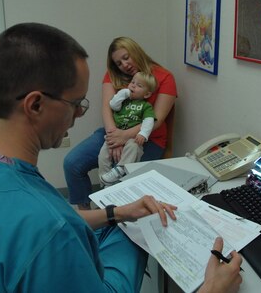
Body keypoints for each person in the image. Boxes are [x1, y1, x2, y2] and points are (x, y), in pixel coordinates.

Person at [0, 23, 242, 292]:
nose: (77, 115)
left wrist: (116, 212)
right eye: (76, 104)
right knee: (133, 240)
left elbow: (43, 219)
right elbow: (47, 227)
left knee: (122, 225)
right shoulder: (46, 231)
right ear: (36, 105)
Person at [64, 36, 178, 210]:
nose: (124, 65)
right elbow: (106, 108)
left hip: (147, 139)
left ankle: (109, 217)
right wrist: (114, 138)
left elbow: (157, 119)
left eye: (126, 57)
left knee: (118, 174)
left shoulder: (165, 77)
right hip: (114, 132)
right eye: (118, 63)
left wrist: (124, 137)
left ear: (136, 52)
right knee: (72, 163)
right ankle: (87, 218)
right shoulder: (113, 76)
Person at [98, 71, 157, 185]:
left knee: (134, 148)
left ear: (147, 94)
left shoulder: (146, 106)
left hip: (133, 137)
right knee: (103, 155)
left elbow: (149, 120)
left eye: (139, 86)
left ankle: (121, 168)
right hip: (116, 133)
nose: (133, 85)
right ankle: (104, 180)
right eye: (132, 82)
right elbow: (113, 105)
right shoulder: (124, 100)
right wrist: (123, 93)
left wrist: (143, 134)